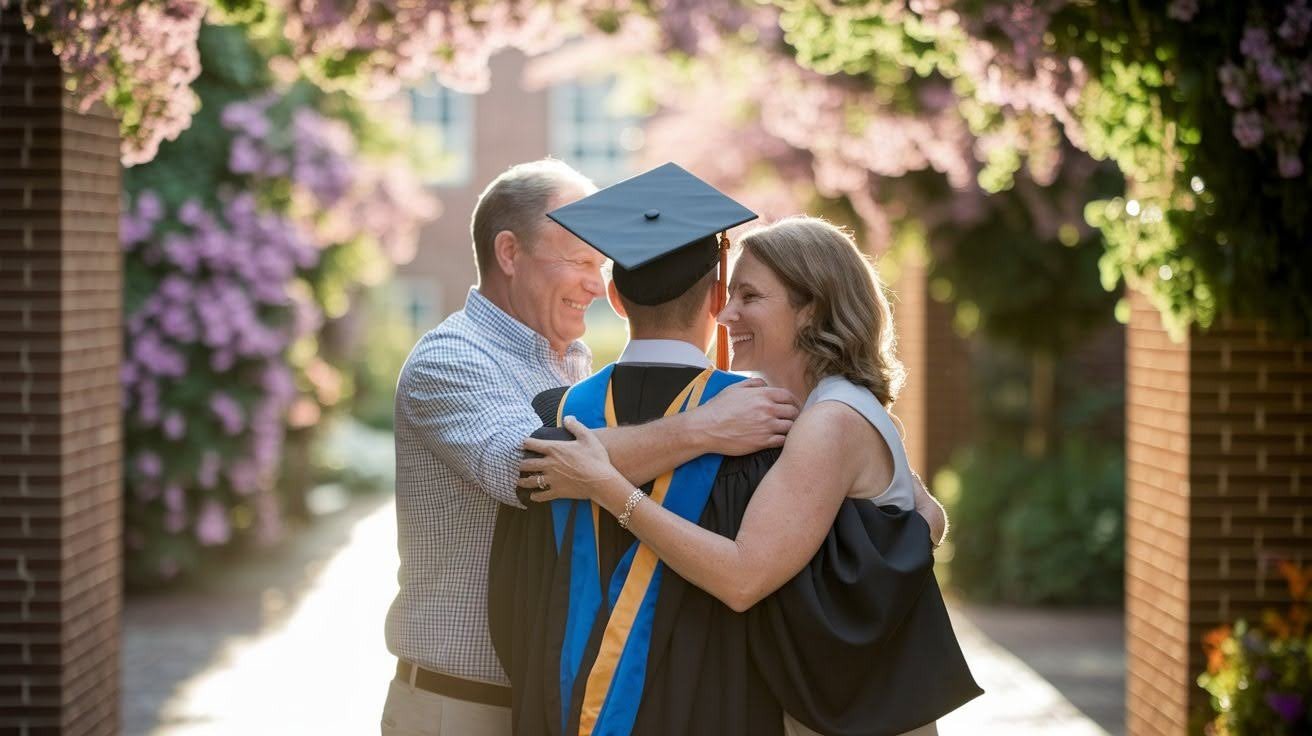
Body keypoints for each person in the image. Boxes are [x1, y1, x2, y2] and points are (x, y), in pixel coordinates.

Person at [491, 165, 977, 736]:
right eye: (732, 293)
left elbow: (745, 577)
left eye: (751, 296)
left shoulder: (811, 422)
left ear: (616, 297)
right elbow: (924, 517)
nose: (727, 314)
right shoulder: (783, 421)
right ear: (713, 288)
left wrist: (606, 484)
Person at [382, 159, 799, 736]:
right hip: (465, 705)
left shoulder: (576, 368)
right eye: (580, 260)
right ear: (509, 253)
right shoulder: (452, 359)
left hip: (554, 701)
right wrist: (705, 428)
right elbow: (534, 470)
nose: (597, 283)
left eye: (602, 265)